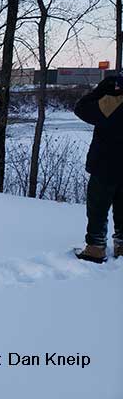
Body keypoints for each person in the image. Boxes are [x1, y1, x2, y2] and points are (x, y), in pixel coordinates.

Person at [74, 75, 123, 263]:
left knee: (98, 207)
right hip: (110, 162)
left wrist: (103, 93)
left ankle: (95, 247)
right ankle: (121, 244)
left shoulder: (111, 98)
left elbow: (82, 108)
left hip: (106, 163)